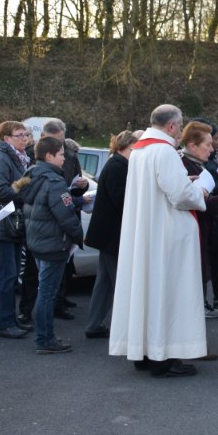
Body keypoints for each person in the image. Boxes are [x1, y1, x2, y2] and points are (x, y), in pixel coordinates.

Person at [109, 104, 209, 378]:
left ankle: (141, 352)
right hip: (165, 234)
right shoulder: (164, 151)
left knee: (144, 291)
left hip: (146, 232)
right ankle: (162, 358)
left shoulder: (139, 149)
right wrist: (199, 190)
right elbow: (180, 195)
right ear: (173, 126)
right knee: (167, 292)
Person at [19, 135, 86, 354]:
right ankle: (44, 339)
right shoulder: (54, 181)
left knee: (43, 291)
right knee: (47, 294)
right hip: (53, 245)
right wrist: (79, 236)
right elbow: (66, 216)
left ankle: (44, 337)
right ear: (49, 155)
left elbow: (40, 204)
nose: (64, 159)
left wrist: (74, 199)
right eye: (60, 155)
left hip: (37, 242)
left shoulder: (31, 175)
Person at [179, 121, 218, 319]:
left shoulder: (200, 163)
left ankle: (213, 301)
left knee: (212, 267)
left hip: (211, 226)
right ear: (192, 145)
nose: (212, 147)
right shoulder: (183, 165)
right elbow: (191, 203)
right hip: (196, 229)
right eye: (208, 144)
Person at [82, 130, 136, 340]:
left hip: (108, 235)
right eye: (134, 148)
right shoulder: (117, 167)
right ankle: (128, 330)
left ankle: (94, 324)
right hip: (112, 235)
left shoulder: (117, 164)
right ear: (125, 147)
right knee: (120, 283)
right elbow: (122, 200)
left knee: (105, 282)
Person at [0, 121, 33, 339]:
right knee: (7, 275)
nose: (24, 138)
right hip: (3, 224)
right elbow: (1, 191)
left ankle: (11, 320)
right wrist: (28, 190)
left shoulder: (20, 158)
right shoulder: (1, 159)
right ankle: (4, 324)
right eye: (19, 135)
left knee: (12, 275)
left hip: (13, 225)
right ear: (6, 139)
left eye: (26, 134)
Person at [39, 119, 89, 321]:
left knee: (66, 266)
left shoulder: (70, 155)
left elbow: (74, 182)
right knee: (48, 283)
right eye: (58, 146)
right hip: (54, 227)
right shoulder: (47, 174)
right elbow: (58, 199)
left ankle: (60, 300)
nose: (62, 152)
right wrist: (76, 200)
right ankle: (47, 326)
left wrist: (82, 186)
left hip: (65, 215)